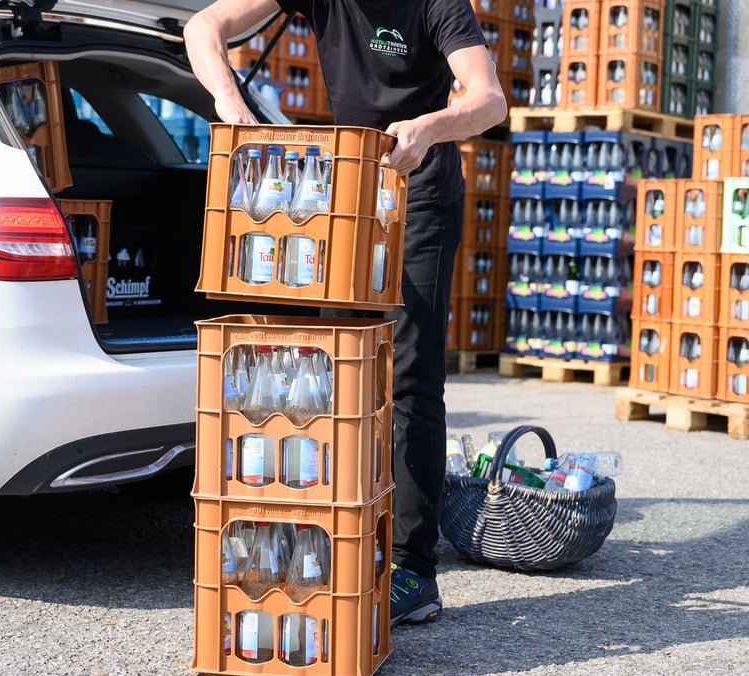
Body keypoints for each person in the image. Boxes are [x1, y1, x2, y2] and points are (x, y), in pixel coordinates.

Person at [184, 0, 507, 627]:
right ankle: (343, 539)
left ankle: (413, 569)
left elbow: (488, 99)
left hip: (419, 194)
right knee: (338, 374)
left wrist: (430, 127)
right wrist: (231, 103)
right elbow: (204, 26)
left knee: (409, 378)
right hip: (346, 197)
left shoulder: (437, 4)